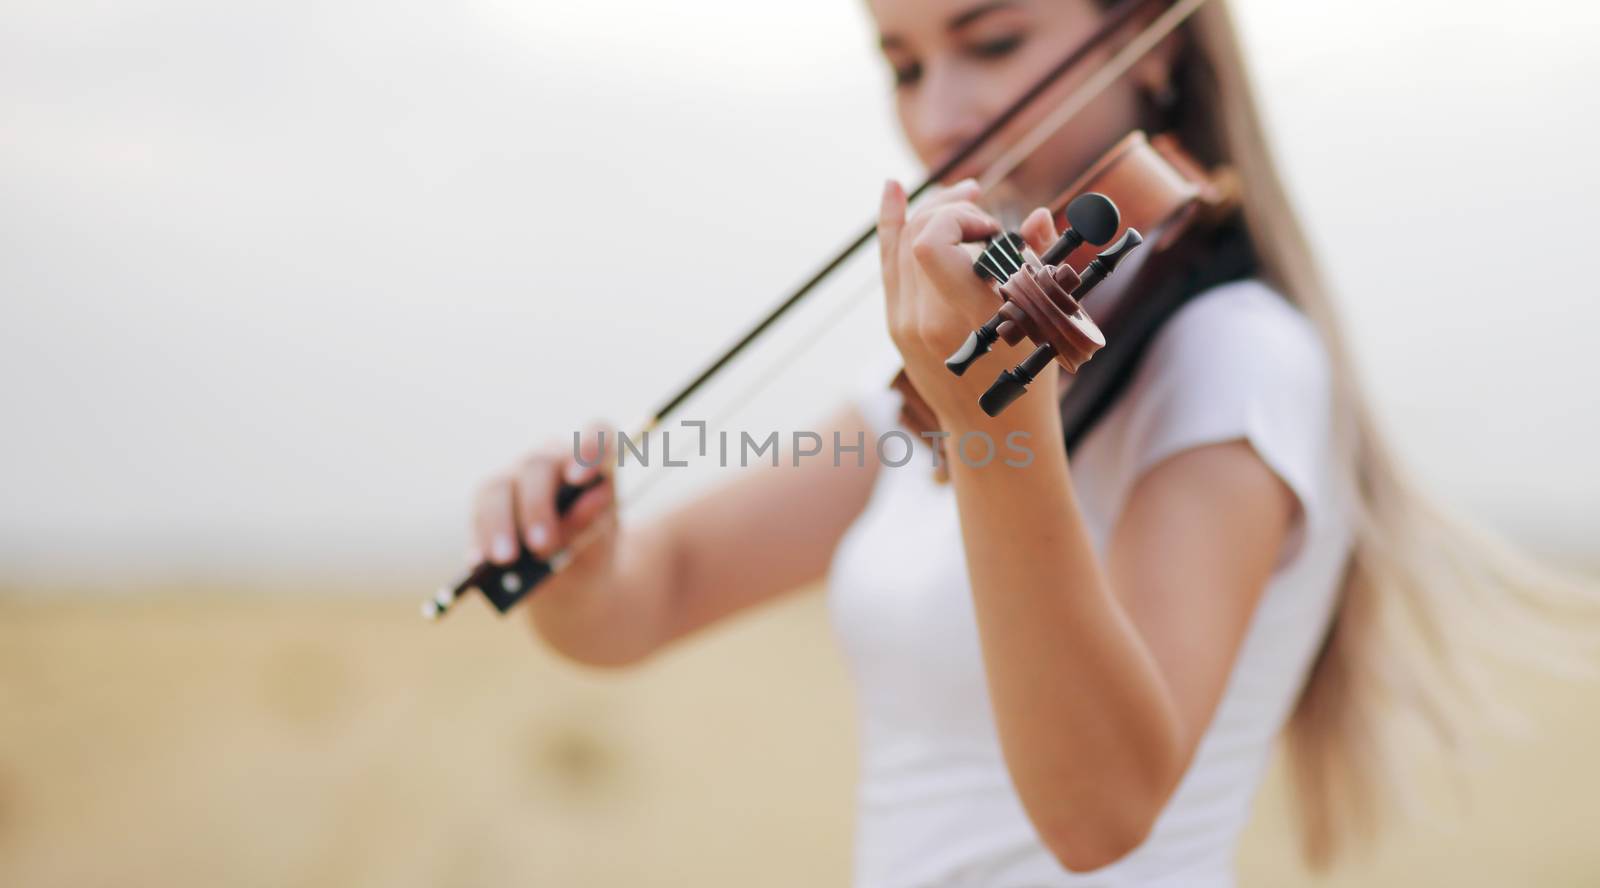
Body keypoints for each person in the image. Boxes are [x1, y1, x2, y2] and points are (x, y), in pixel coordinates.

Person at [467, 1, 1576, 884]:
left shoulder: (1233, 360)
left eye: (991, 41)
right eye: (900, 65)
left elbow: (1099, 817)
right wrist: (575, 560)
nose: (941, 113)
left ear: (1151, 42)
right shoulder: (933, 379)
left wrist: (992, 411)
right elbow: (649, 599)